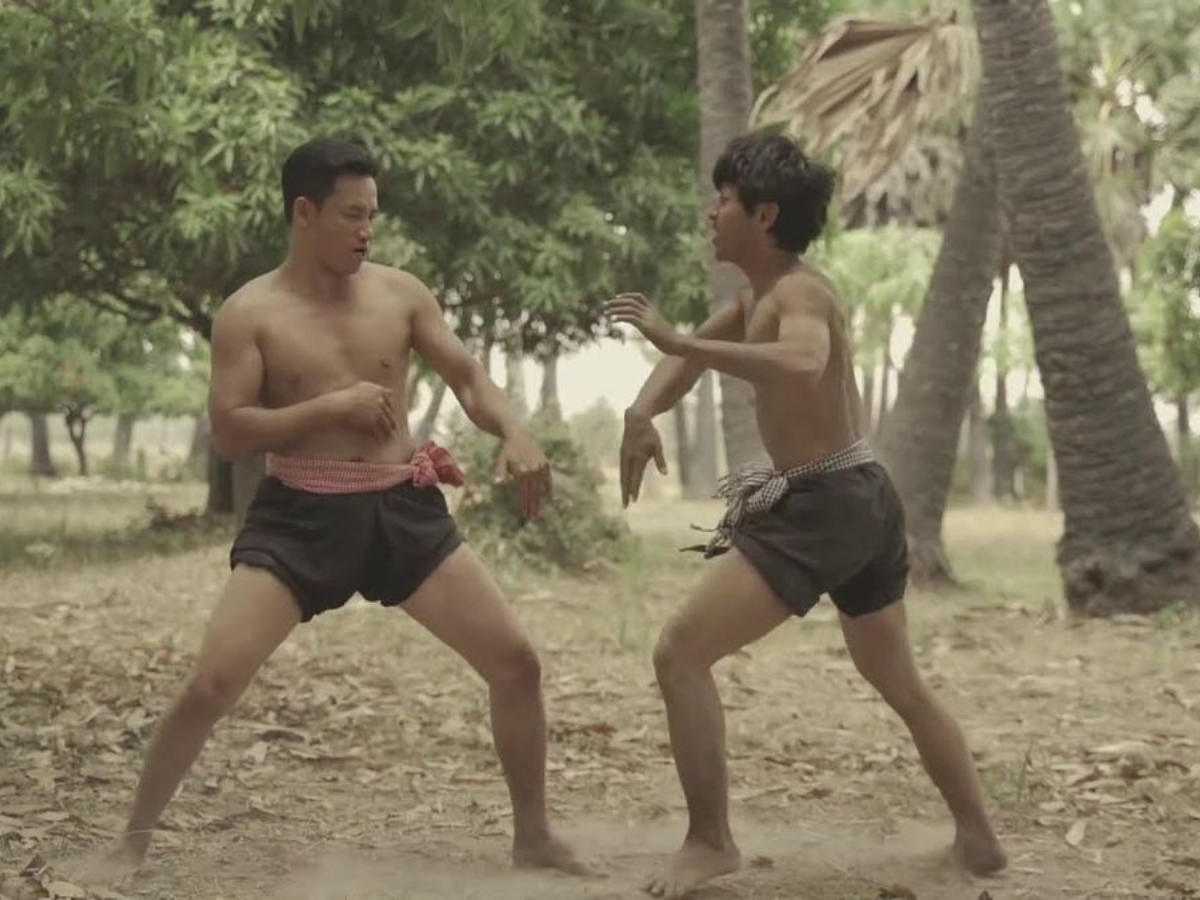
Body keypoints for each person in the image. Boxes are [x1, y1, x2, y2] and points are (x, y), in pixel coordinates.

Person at [101, 137, 584, 878]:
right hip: (299, 515)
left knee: (516, 664)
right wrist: (328, 407)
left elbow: (468, 377)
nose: (367, 231)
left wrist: (515, 430)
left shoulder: (401, 294)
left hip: (402, 509)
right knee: (211, 683)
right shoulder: (249, 313)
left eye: (373, 216)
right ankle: (130, 843)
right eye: (352, 215)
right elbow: (231, 431)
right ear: (304, 211)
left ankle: (534, 838)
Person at [605, 132, 1006, 899]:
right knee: (898, 680)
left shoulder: (802, 294)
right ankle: (981, 841)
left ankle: (710, 841)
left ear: (763, 214)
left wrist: (676, 334)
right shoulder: (756, 296)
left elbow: (802, 361)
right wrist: (640, 408)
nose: (710, 212)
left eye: (722, 201)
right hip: (858, 498)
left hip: (829, 504)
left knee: (678, 654)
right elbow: (688, 361)